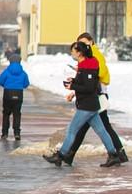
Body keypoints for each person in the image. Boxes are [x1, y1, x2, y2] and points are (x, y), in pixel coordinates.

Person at [45, 40, 122, 168]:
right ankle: (113, 155)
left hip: (87, 106)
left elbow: (89, 87)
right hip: (90, 105)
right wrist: (74, 80)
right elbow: (86, 82)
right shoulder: (85, 65)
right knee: (101, 131)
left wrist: (72, 86)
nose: (72, 53)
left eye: (73, 51)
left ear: (80, 53)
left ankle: (60, 155)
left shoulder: (88, 66)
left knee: (72, 130)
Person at [65, 32, 128, 163]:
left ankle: (68, 155)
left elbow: (97, 76)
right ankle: (118, 153)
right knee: (98, 127)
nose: (82, 45)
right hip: (94, 95)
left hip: (97, 96)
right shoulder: (89, 56)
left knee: (92, 127)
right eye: (80, 43)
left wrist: (79, 83)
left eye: (84, 43)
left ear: (91, 42)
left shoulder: (95, 55)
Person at [0, 52, 30, 139]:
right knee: (17, 114)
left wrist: (6, 85)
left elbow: (0, 80)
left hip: (8, 93)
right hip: (19, 93)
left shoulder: (7, 71)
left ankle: (5, 133)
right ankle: (17, 133)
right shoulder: (23, 73)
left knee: (6, 113)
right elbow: (26, 84)